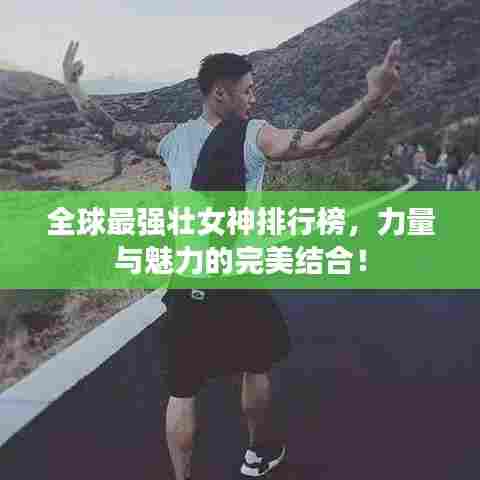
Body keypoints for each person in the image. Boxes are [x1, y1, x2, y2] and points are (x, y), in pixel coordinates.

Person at [62, 38, 402, 480]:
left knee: (182, 392)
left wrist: (74, 89)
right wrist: (372, 99)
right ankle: (257, 455)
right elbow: (320, 141)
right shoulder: (254, 134)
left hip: (188, 282)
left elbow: (111, 129)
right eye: (248, 89)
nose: (254, 97)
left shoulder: (171, 139)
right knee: (255, 367)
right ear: (220, 93)